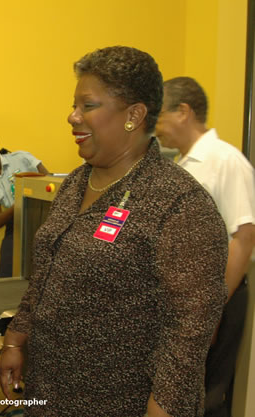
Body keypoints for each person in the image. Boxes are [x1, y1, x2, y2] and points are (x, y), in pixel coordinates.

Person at [0, 46, 228, 417]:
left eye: (88, 106)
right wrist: (14, 338)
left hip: (118, 400)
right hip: (49, 388)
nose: (72, 116)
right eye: (74, 105)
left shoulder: (179, 203)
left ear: (133, 115)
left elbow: (189, 329)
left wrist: (164, 407)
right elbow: (46, 274)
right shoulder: (75, 183)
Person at [155, 76, 255, 417]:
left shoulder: (225, 161)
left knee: (209, 396)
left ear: (183, 112)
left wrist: (212, 309)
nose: (155, 129)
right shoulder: (184, 165)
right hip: (189, 301)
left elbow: (243, 237)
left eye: (159, 116)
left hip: (216, 299)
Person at [0, 132, 48, 277]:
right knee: (6, 273)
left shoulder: (21, 158)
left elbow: (49, 180)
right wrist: (21, 202)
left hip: (41, 218)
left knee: (41, 270)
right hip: (14, 226)